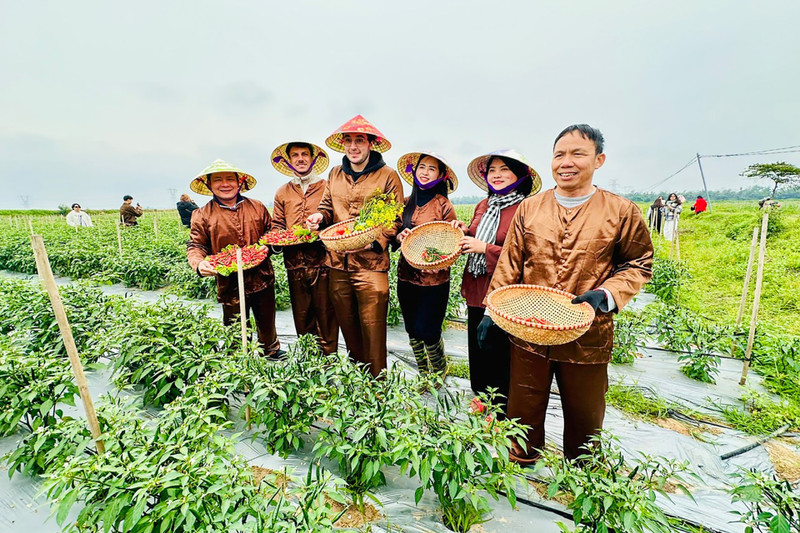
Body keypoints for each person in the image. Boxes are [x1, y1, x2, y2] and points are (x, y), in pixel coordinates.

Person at [481, 124, 653, 463]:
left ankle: (582, 471)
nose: (566, 162)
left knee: (585, 411)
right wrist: (490, 313)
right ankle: (522, 460)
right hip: (529, 326)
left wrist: (607, 293)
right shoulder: (530, 208)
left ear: (598, 160)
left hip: (588, 330)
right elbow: (510, 262)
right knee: (523, 404)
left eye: (578, 154)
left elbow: (639, 262)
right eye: (559, 154)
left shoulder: (620, 211)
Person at [306, 115, 404, 377]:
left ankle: (377, 385)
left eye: (359, 140)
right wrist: (320, 217)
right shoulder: (335, 173)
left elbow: (394, 217)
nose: (353, 146)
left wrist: (374, 242)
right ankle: (357, 381)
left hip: (371, 266)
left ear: (371, 143)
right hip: (337, 263)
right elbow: (327, 206)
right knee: (348, 326)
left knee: (372, 329)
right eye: (348, 141)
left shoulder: (387, 176)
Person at [452, 150, 541, 415]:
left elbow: (526, 255)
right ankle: (480, 397)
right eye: (492, 170)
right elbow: (475, 233)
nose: (497, 175)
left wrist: (485, 248)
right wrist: (463, 230)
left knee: (499, 348)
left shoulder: (526, 209)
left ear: (519, 175)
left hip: (504, 291)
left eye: (504, 169)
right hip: (477, 284)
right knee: (476, 345)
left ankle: (500, 408)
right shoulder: (484, 205)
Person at [186, 159, 283, 358]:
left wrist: (271, 245)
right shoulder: (202, 214)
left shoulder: (257, 206)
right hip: (228, 279)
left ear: (240, 182)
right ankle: (237, 358)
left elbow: (270, 233)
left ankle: (271, 350)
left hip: (262, 274)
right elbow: (196, 245)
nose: (225, 184)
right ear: (209, 185)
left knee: (266, 316)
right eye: (218, 180)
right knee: (235, 322)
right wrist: (199, 263)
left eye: (230, 179)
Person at [394, 151, 459, 379]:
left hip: (435, 278)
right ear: (414, 170)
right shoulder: (405, 203)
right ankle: (423, 372)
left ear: (441, 175)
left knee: (429, 330)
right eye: (422, 167)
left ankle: (439, 371)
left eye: (432, 168)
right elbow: (394, 233)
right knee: (412, 328)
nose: (425, 172)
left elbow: (454, 240)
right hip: (406, 274)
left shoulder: (444, 205)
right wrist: (399, 236)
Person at [271, 140, 339, 355]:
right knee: (302, 314)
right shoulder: (282, 192)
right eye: (295, 155)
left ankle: (329, 358)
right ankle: (308, 357)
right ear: (289, 161)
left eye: (304, 155)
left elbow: (336, 219)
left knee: (326, 313)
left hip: (323, 261)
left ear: (312, 159)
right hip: (294, 262)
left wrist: (321, 230)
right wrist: (276, 241)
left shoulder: (327, 186)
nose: (300, 159)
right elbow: (278, 225)